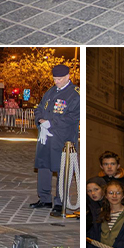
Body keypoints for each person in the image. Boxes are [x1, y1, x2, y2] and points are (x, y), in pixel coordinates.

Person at [33, 64, 80, 217]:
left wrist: (51, 122)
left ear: (67, 77)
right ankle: (44, 198)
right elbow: (39, 107)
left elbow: (74, 116)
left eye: (59, 79)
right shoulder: (50, 91)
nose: (57, 82)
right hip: (46, 137)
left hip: (63, 139)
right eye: (54, 79)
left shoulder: (75, 94)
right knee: (43, 167)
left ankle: (60, 202)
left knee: (62, 170)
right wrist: (40, 119)